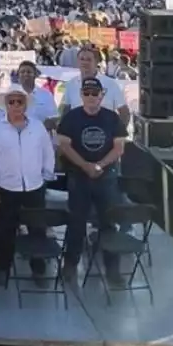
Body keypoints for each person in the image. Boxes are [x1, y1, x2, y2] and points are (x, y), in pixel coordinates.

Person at [56, 77, 126, 286]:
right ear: (81, 95)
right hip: (79, 177)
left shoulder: (112, 118)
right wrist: (86, 166)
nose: (90, 97)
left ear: (101, 95)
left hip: (106, 178)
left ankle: (113, 271)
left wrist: (100, 165)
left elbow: (119, 148)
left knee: (108, 224)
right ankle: (69, 267)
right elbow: (65, 146)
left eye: (94, 93)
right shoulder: (71, 118)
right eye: (86, 93)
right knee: (76, 224)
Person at [0, 86, 57, 285]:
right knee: (4, 231)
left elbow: (47, 152)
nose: (16, 105)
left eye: (20, 101)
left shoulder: (37, 126)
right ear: (6, 105)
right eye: (11, 102)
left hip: (35, 187)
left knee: (37, 229)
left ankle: (39, 269)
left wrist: (45, 177)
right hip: (6, 188)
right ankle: (3, 268)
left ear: (25, 104)